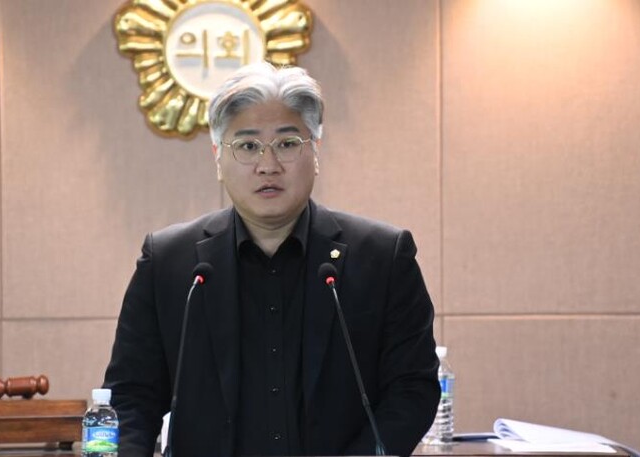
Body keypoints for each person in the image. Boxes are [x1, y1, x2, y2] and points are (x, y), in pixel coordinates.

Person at [103, 62, 440, 457]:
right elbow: (130, 398)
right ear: (218, 157)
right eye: (247, 146)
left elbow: (412, 389)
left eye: (287, 143)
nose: (268, 165)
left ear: (315, 150)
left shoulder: (383, 257)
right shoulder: (168, 262)